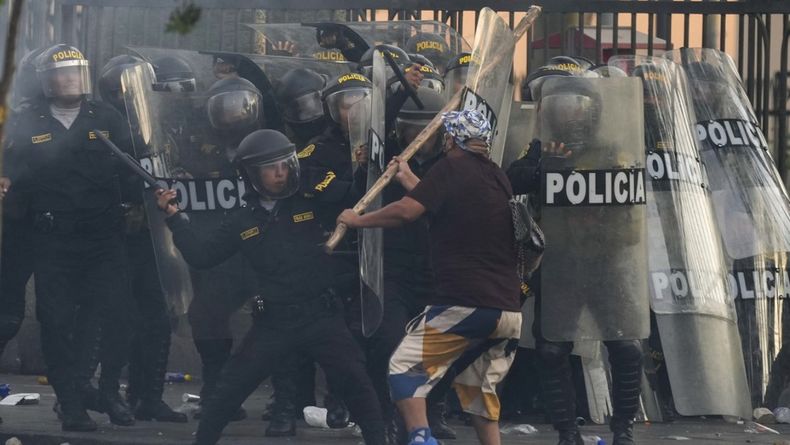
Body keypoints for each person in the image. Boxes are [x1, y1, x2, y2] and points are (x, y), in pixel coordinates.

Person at [155, 129, 387, 445]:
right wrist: (175, 218)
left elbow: (355, 195)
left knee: (357, 382)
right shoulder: (241, 220)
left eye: (284, 164)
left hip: (321, 316)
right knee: (228, 390)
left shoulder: (310, 199)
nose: (281, 173)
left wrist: (363, 168)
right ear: (251, 174)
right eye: (270, 168)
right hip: (274, 322)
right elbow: (202, 255)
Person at [338, 109, 523, 445]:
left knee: (403, 369)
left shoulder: (451, 167)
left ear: (451, 139)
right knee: (478, 391)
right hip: (508, 311)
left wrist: (357, 221)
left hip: (466, 302)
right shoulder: (496, 176)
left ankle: (421, 438)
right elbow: (437, 201)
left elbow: (407, 212)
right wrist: (407, 176)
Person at [4, 44, 136, 431]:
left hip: (103, 239)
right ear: (46, 80)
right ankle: (70, 403)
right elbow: (9, 172)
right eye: (60, 73)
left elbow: (133, 166)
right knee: (56, 321)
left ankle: (107, 390)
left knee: (117, 315)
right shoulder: (26, 122)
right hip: (53, 239)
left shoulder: (107, 118)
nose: (69, 79)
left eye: (75, 72)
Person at [507, 73, 644, 445]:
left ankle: (624, 429)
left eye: (576, 108)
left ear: (592, 112)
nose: (568, 116)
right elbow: (512, 179)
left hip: (604, 263)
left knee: (627, 347)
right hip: (559, 266)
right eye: (560, 107)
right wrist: (545, 168)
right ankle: (568, 432)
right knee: (552, 350)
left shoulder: (611, 152)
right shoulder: (541, 149)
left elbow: (630, 212)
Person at [95, 54, 188, 423]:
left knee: (158, 317)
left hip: (155, 237)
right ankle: (91, 392)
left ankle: (148, 396)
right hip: (118, 238)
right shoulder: (104, 127)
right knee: (118, 318)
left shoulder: (158, 126)